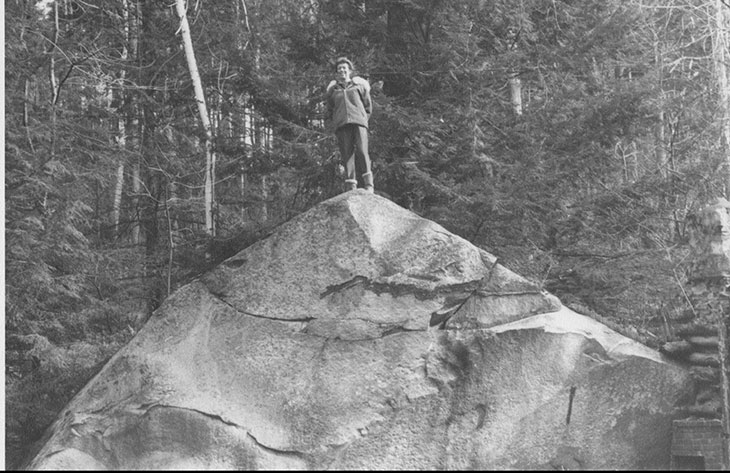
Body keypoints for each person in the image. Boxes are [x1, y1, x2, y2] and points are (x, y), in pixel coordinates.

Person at [326, 57, 374, 193]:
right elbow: (330, 109)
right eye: (339, 68)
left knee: (362, 151)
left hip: (359, 122)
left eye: (344, 68)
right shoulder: (333, 90)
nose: (342, 70)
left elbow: (368, 106)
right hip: (342, 125)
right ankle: (351, 185)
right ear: (337, 72)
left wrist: (363, 119)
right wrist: (336, 121)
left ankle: (369, 184)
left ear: (350, 70)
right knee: (347, 154)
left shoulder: (359, 86)